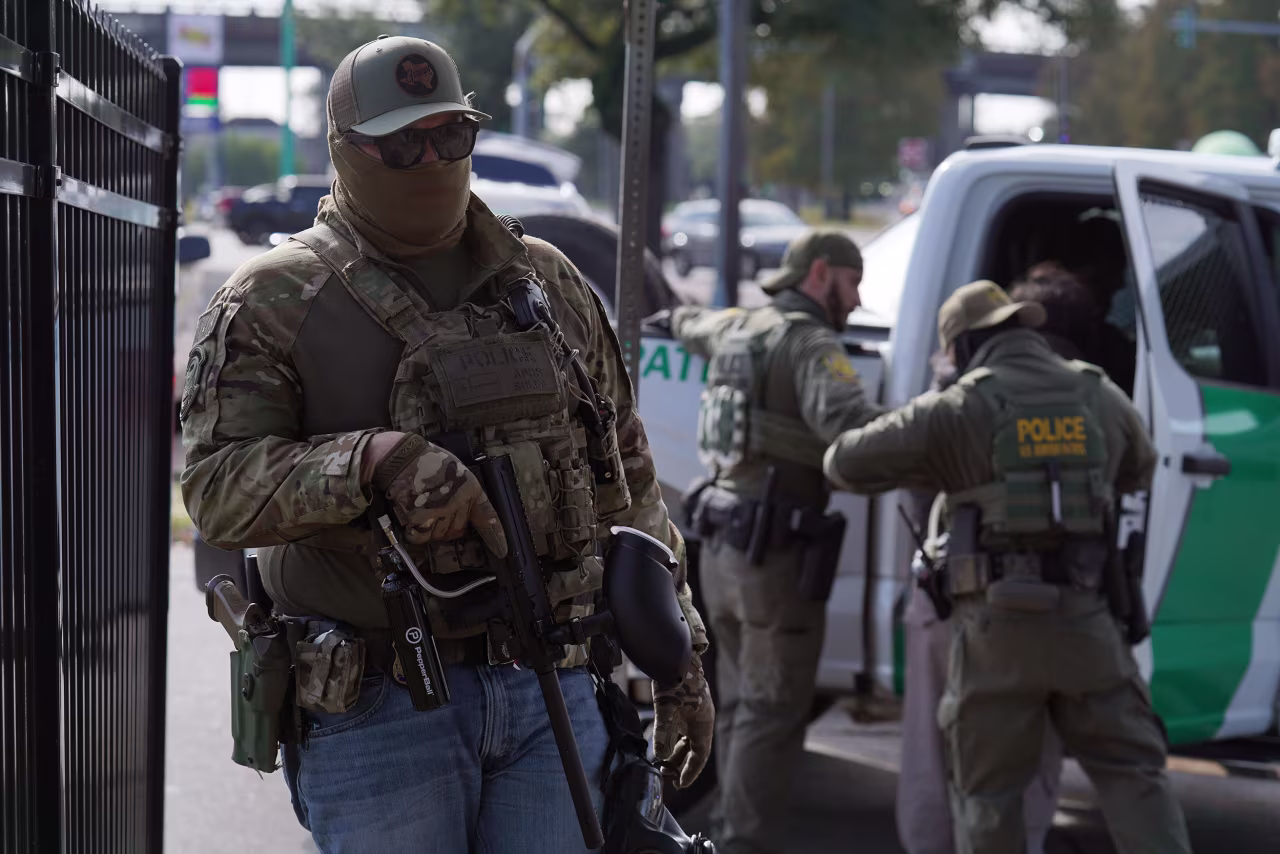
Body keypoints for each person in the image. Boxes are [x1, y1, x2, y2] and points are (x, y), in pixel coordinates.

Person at [180, 35, 712, 853]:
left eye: (448, 136)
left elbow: (627, 478)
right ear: (346, 153)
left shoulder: (546, 282)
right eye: (401, 144)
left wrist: (680, 656)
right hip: (381, 708)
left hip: (552, 689)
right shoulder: (273, 299)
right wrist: (370, 463)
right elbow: (216, 490)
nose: (429, 158)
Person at [825, 280, 1192, 854]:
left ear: (965, 348)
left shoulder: (955, 408)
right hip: (1088, 626)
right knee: (1133, 776)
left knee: (989, 798)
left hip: (994, 637)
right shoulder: (1095, 391)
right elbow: (1139, 467)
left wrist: (942, 464)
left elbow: (843, 462)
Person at [669, 230, 883, 854]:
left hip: (725, 552)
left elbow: (693, 327)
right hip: (776, 560)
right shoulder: (812, 342)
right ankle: (742, 844)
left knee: (739, 704)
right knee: (771, 711)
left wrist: (674, 314)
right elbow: (850, 428)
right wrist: (929, 431)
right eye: (852, 279)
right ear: (820, 273)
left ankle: (730, 831)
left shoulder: (741, 328)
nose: (857, 295)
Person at [897, 262, 1112, 854]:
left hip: (941, 593)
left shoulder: (950, 391)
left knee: (928, 745)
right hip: (1044, 602)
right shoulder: (1082, 392)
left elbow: (908, 486)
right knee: (1031, 752)